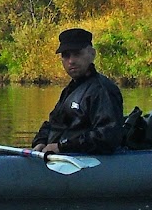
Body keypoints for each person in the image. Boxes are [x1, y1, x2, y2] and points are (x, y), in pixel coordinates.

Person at [32, 27, 124, 156]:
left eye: (77, 54)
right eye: (66, 55)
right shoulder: (71, 89)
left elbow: (108, 136)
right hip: (57, 158)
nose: (71, 61)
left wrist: (62, 147)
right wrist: (40, 141)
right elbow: (53, 123)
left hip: (80, 161)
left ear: (92, 54)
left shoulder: (102, 90)